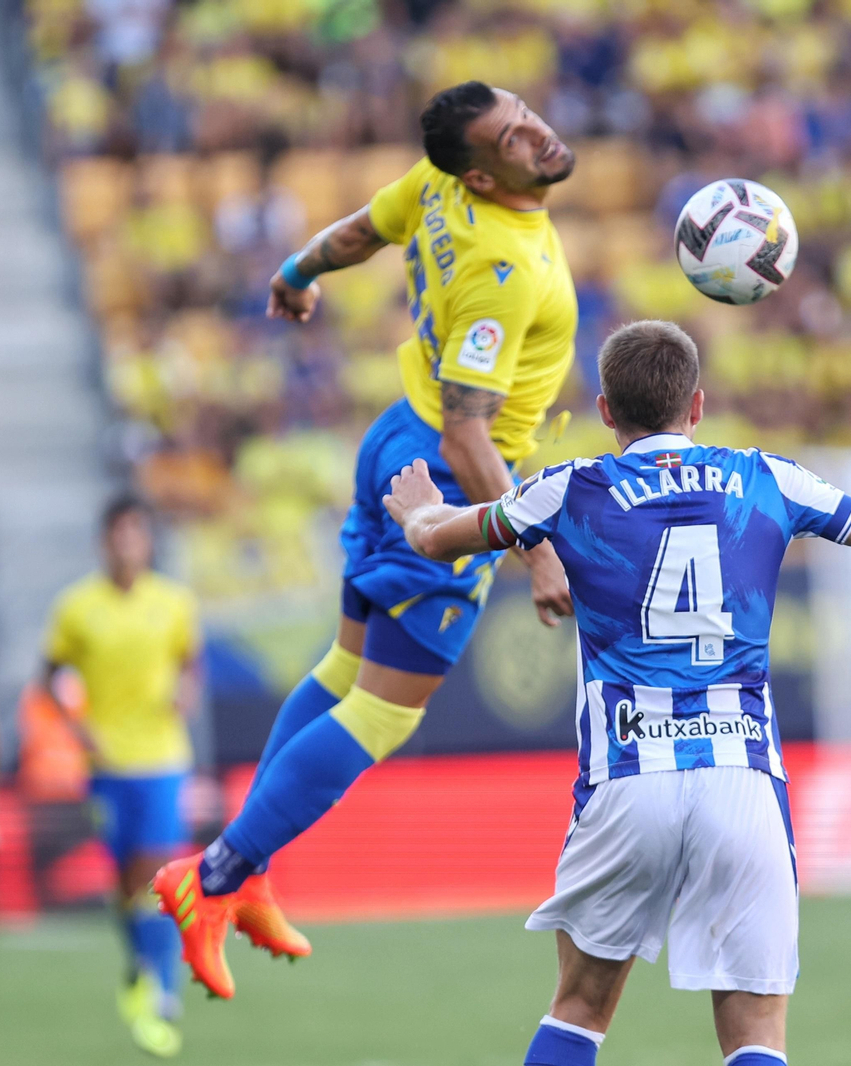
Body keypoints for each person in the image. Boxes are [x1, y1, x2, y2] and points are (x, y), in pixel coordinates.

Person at [381, 320, 851, 1066]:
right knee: (755, 1036)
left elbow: (436, 537)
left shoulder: (569, 489)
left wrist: (420, 505)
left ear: (607, 411)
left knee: (580, 1010)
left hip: (628, 777)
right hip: (740, 777)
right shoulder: (765, 477)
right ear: (698, 405)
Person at [152, 79, 581, 999]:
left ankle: (247, 871)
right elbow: (472, 435)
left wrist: (298, 271)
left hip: (394, 434)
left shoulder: (433, 190)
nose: (537, 133)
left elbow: (361, 229)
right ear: (481, 172)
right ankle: (213, 877)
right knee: (384, 710)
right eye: (514, 137)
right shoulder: (504, 267)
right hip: (440, 474)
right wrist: (536, 553)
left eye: (527, 114)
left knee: (346, 674)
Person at [41, 494, 208, 1056]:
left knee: (156, 870)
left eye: (136, 534)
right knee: (123, 880)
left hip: (162, 756)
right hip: (106, 762)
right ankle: (140, 959)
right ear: (103, 542)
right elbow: (51, 674)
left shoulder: (175, 602)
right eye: (118, 535)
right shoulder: (76, 607)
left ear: (148, 541)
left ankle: (160, 985)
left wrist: (186, 690)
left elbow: (190, 660)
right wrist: (75, 722)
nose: (127, 544)